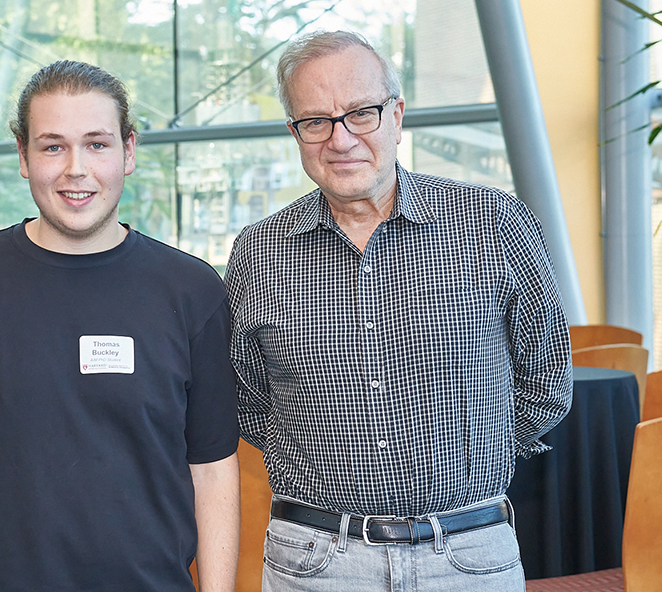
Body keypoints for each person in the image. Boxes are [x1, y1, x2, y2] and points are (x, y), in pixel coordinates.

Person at [224, 31, 572, 591]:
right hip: (316, 563)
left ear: (397, 115)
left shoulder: (496, 224)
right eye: (315, 121)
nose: (340, 139)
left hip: (468, 556)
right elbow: (247, 397)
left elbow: (548, 378)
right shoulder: (258, 250)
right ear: (295, 133)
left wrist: (470, 462)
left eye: (361, 113)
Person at [0, 60, 240, 592]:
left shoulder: (191, 289)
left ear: (129, 151)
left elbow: (212, 469)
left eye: (97, 144)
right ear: (23, 157)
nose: (76, 168)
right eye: (53, 146)